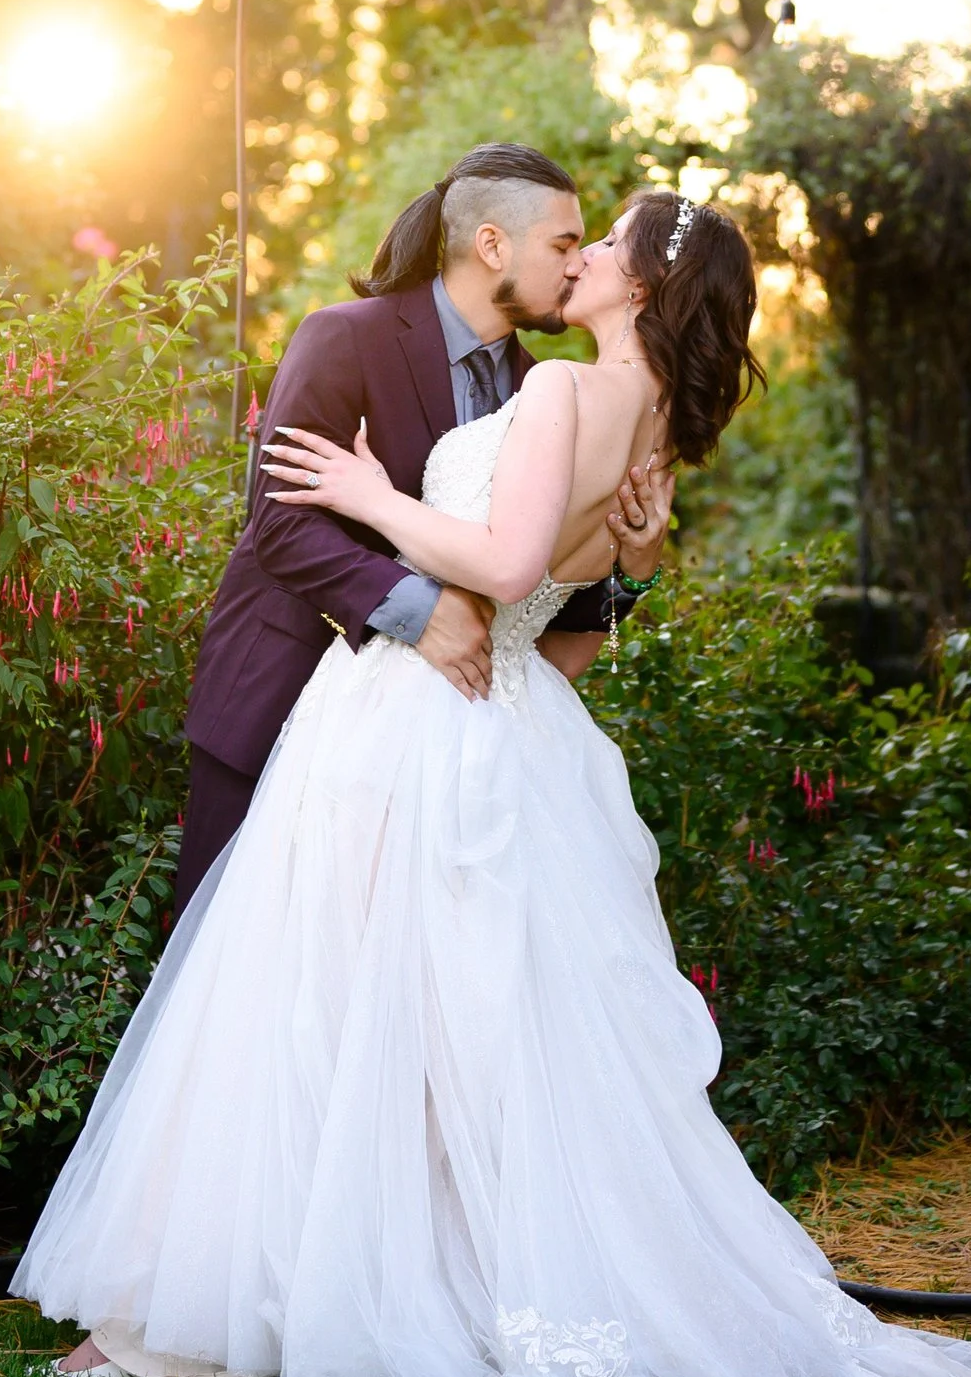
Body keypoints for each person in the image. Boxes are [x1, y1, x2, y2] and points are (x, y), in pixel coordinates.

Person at [17, 190, 971, 1377]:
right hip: (499, 720)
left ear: (644, 283)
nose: (590, 255)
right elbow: (559, 645)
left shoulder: (565, 391)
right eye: (580, 234)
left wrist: (367, 492)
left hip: (411, 719)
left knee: (324, 1009)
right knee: (422, 1029)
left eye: (607, 242)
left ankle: (251, 1307)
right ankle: (354, 1282)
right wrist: (606, 567)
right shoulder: (654, 442)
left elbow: (502, 577)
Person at [167, 141, 668, 926]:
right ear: (491, 243)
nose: (577, 267)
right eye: (564, 245)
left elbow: (539, 601)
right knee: (229, 983)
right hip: (277, 700)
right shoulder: (345, 337)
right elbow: (280, 522)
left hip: (428, 761)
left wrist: (631, 577)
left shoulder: (546, 390)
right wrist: (419, 607)